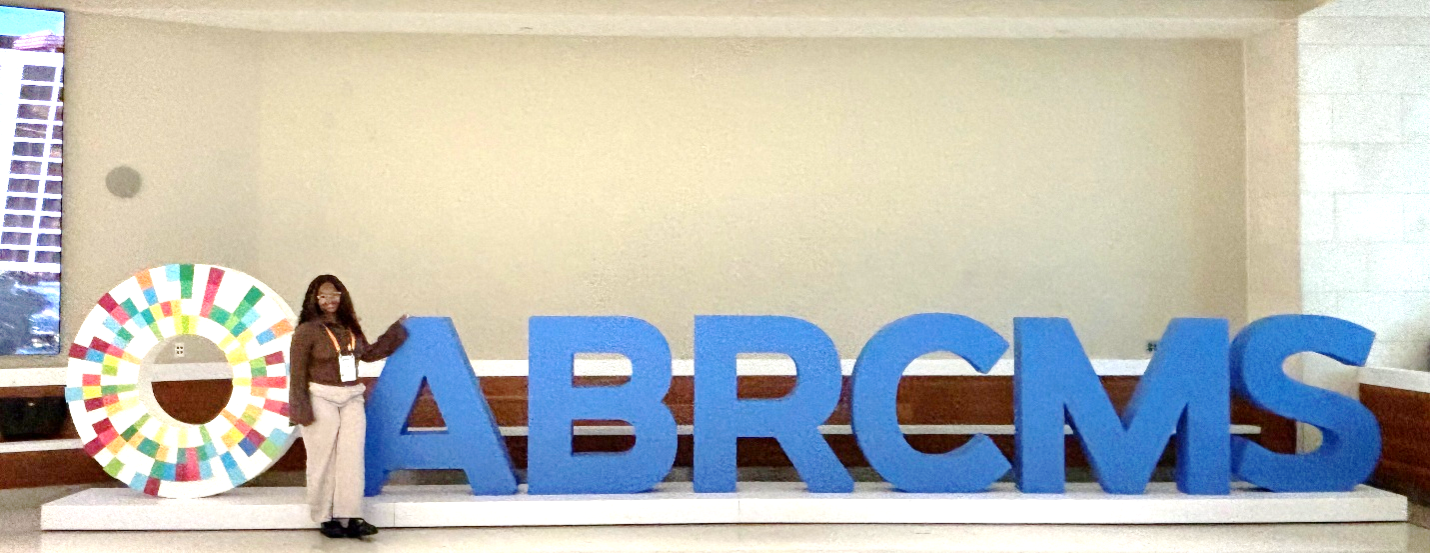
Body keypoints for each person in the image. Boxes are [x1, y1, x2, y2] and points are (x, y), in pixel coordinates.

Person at [287, 275, 408, 539]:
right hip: (320, 397)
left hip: (352, 397)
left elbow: (370, 354)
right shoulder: (307, 330)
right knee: (322, 460)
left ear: (342, 297)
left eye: (335, 294)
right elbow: (297, 374)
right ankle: (324, 517)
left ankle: (351, 516)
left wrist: (396, 330)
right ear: (313, 300)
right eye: (323, 295)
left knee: (352, 458)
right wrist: (300, 410)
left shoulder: (349, 328)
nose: (329, 300)